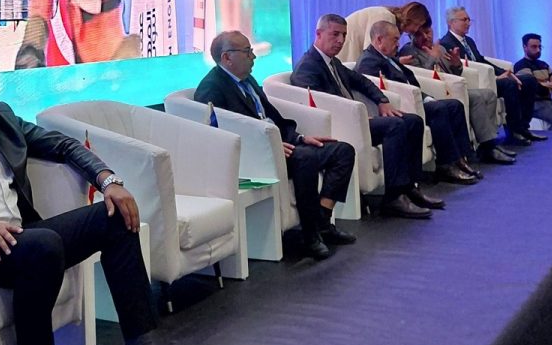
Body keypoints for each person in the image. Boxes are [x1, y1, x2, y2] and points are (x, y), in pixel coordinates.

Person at [0, 43, 209, 345]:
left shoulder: (1, 116)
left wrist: (108, 181)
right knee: (44, 245)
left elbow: (63, 144)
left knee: (115, 217)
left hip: (24, 235)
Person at [194, 31, 356, 260]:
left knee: (342, 151)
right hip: (257, 155)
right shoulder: (212, 88)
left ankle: (322, 221)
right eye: (247, 52)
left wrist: (299, 138)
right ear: (227, 57)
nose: (253, 57)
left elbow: (272, 117)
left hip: (282, 145)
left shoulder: (248, 80)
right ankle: (310, 235)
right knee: (306, 158)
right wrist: (269, 145)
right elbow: (221, 133)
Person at [292, 13, 439, 219]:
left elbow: (362, 82)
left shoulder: (333, 62)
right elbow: (318, 104)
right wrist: (357, 116)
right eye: (335, 34)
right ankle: (394, 197)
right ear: (318, 34)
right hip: (342, 125)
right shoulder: (308, 66)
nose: (341, 40)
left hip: (357, 119)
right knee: (394, 125)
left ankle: (410, 186)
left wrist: (382, 100)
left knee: (412, 121)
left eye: (344, 35)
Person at [357, 20, 480, 185]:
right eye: (395, 40)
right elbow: (380, 87)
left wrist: (426, 97)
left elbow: (408, 81)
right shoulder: (369, 61)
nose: (398, 44)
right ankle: (446, 165)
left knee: (454, 105)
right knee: (438, 109)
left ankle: (461, 159)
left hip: (415, 97)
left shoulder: (388, 57)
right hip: (402, 104)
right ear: (379, 40)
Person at [400, 21, 515, 165]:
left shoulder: (440, 48)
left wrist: (456, 64)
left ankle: (489, 141)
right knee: (476, 98)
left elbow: (454, 73)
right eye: (419, 34)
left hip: (453, 87)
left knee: (488, 94)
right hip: (435, 92)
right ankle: (488, 146)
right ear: (411, 36)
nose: (426, 37)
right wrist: (432, 58)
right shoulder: (409, 51)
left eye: (428, 32)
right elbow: (419, 76)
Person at [442, 6, 541, 144]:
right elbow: (464, 67)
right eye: (464, 20)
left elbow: (481, 60)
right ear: (452, 22)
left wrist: (505, 72)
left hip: (488, 77)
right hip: (477, 82)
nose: (468, 23)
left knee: (529, 80)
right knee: (509, 84)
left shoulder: (468, 41)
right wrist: (496, 77)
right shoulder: (446, 43)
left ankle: (524, 126)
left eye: (469, 20)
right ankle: (514, 131)